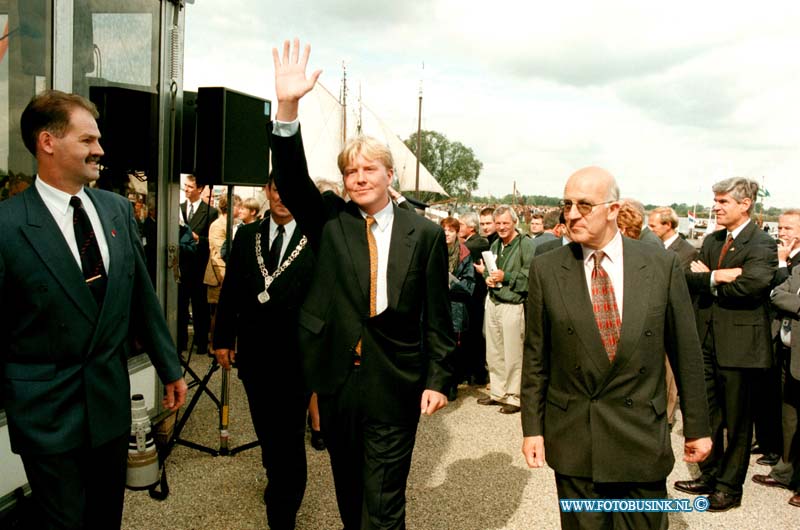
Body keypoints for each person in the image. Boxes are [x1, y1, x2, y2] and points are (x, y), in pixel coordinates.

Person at [269, 39, 454, 530]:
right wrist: (288, 106)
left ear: (390, 175)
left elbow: (437, 316)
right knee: (351, 496)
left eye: (368, 169)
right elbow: (290, 180)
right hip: (337, 381)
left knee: (384, 502)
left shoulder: (427, 235)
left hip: (395, 381)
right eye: (350, 171)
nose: (357, 178)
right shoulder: (330, 221)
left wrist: (438, 379)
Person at [0, 89, 186, 529]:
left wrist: (170, 366)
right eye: (87, 140)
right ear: (48, 142)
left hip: (108, 407)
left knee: (105, 519)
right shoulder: (7, 225)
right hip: (45, 414)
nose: (99, 150)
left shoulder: (117, 210)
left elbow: (141, 295)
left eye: (97, 140)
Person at [521, 166, 711, 530]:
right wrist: (533, 427)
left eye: (585, 205)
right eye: (567, 204)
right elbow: (536, 357)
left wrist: (698, 427)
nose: (572, 214)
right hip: (576, 436)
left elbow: (686, 352)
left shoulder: (660, 264)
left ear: (613, 209)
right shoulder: (547, 268)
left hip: (640, 435)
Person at [213, 176, 314, 529]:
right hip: (255, 357)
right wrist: (222, 337)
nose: (282, 197)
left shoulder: (315, 237)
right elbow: (232, 292)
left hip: (297, 359)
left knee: (288, 437)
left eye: (289, 190)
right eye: (276, 189)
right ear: (268, 192)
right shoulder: (247, 236)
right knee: (268, 433)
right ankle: (278, 478)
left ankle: (283, 512)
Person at [677, 177, 777, 511]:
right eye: (715, 201)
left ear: (745, 203)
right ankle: (709, 475)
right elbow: (687, 278)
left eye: (723, 202)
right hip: (706, 343)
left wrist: (710, 280)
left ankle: (728, 488)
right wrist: (717, 276)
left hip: (740, 349)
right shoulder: (712, 240)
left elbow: (752, 286)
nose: (716, 208)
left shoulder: (761, 243)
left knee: (737, 423)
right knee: (708, 417)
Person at [752, 208, 800, 494]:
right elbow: (775, 293)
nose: (781, 233)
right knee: (788, 412)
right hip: (784, 347)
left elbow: (783, 294)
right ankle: (784, 466)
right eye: (779, 228)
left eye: (788, 229)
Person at [476, 205, 535, 414]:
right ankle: (498, 392)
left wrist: (506, 277)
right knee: (494, 351)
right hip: (494, 301)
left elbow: (531, 277)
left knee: (513, 353)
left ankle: (514, 396)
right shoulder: (495, 245)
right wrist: (488, 278)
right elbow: (490, 272)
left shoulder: (526, 245)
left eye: (505, 223)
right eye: (498, 223)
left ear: (514, 222)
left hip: (512, 304)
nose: (501, 227)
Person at [178, 174, 218, 355]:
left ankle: (201, 342)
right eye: (184, 186)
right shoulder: (177, 208)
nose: (185, 189)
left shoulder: (211, 212)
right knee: (180, 305)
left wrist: (197, 239)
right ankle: (180, 342)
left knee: (200, 306)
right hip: (180, 266)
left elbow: (212, 241)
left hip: (199, 267)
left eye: (189, 187)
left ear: (200, 189)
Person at [440, 216, 476, 398]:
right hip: (436, 306)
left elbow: (469, 285)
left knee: (453, 348)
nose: (447, 234)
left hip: (455, 307)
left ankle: (452, 384)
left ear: (457, 233)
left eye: (451, 230)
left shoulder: (464, 254)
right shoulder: (435, 249)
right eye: (444, 230)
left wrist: (451, 283)